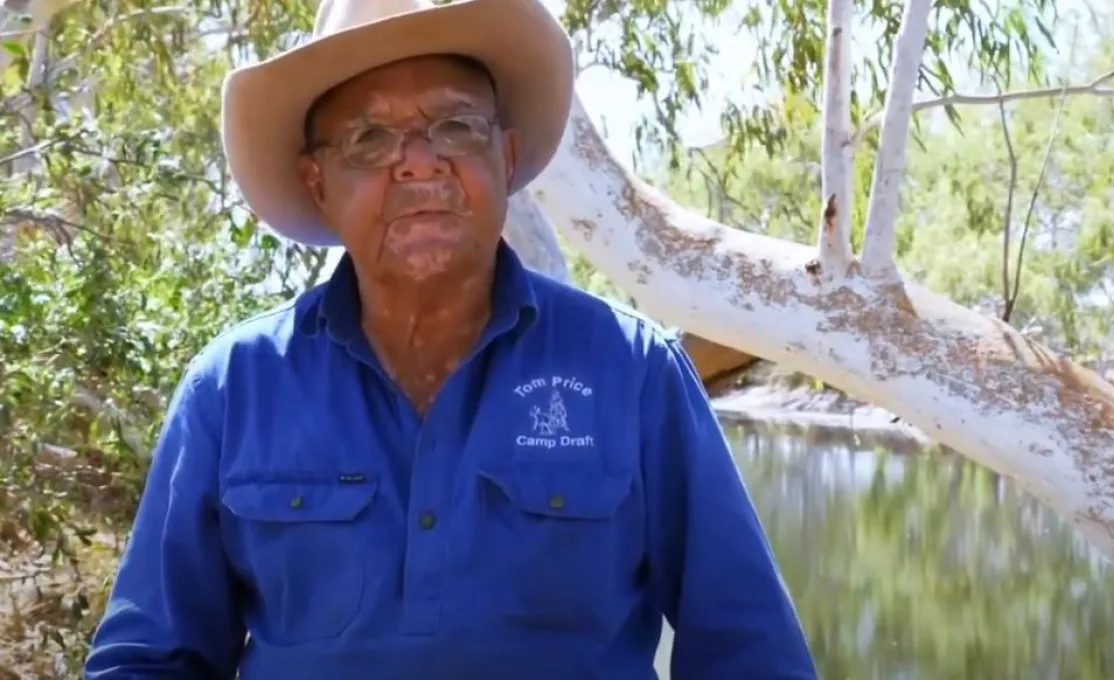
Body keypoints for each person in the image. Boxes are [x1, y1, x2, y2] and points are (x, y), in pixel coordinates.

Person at [82, 0, 818, 678]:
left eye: (456, 127)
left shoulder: (631, 371)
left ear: (505, 158)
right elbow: (150, 658)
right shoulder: (234, 388)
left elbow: (749, 651)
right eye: (369, 138)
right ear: (317, 183)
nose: (421, 161)